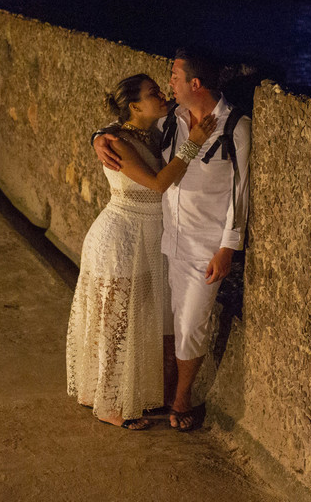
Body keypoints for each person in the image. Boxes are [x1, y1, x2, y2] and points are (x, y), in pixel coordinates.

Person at [93, 50, 251, 432]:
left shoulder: (235, 126)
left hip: (204, 244)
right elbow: (125, 129)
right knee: (158, 323)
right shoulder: (173, 120)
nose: (168, 87)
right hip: (164, 239)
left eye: (175, 78)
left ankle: (180, 399)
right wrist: (97, 136)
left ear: (195, 83)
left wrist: (227, 248)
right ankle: (145, 396)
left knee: (191, 324)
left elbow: (240, 192)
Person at [66, 74, 216, 430]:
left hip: (149, 238)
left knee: (142, 321)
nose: (162, 95)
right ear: (135, 106)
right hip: (120, 238)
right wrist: (193, 144)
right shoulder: (118, 141)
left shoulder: (151, 129)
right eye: (153, 94)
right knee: (116, 324)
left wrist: (95, 135)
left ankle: (126, 394)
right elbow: (159, 183)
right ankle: (109, 405)